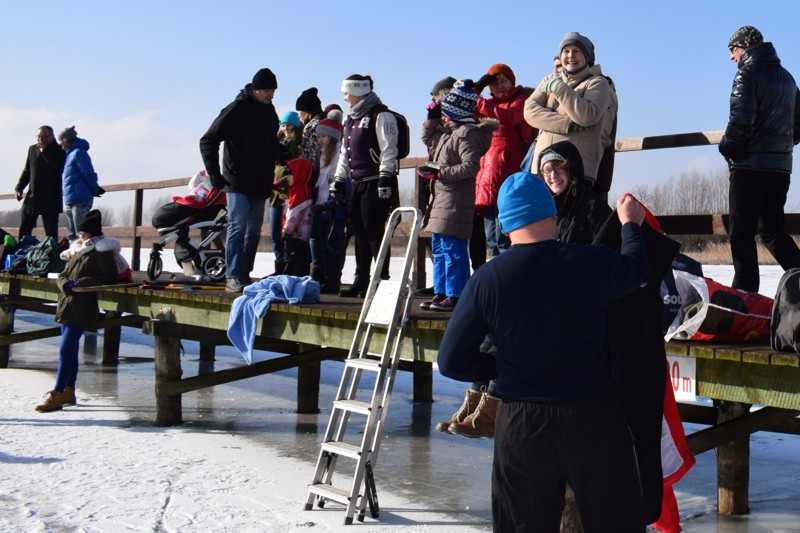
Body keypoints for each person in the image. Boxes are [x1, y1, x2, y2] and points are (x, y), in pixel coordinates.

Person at [437, 172, 648, 531]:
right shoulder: (591, 261)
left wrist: (500, 364)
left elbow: (451, 360)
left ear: (504, 225)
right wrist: (630, 225)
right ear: (552, 214)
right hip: (594, 416)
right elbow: (637, 268)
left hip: (523, 421)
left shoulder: (488, 279)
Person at [719, 26, 800, 292]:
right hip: (780, 167)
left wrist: (727, 148)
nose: (732, 57)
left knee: (741, 233)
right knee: (772, 230)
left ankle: (745, 295)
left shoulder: (747, 74)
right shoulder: (787, 78)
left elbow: (740, 122)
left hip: (749, 167)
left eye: (733, 50)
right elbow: (797, 128)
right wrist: (779, 146)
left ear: (744, 47)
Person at [35, 210, 130, 412]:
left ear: (91, 234)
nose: (80, 238)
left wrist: (80, 283)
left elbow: (109, 277)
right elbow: (63, 274)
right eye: (80, 234)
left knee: (65, 350)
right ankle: (69, 391)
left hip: (83, 306)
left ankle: (57, 392)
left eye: (83, 234)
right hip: (66, 304)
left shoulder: (101, 251)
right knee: (69, 351)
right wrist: (65, 284)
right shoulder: (78, 250)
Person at [200, 68, 280, 293]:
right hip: (237, 178)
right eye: (267, 90)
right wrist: (214, 174)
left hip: (260, 180)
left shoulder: (269, 111)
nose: (271, 95)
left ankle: (244, 272)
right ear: (255, 89)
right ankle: (233, 274)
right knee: (238, 224)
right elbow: (208, 140)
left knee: (254, 229)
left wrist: (281, 154)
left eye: (273, 90)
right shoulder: (236, 109)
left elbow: (270, 142)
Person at [418, 81, 488, 312]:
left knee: (452, 249)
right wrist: (432, 118)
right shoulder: (450, 132)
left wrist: (441, 173)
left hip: (455, 199)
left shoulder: (467, 134)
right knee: (439, 247)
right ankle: (442, 292)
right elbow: (427, 139)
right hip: (441, 198)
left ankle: (456, 294)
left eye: (445, 109)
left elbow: (471, 166)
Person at [331, 74, 399, 297]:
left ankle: (381, 279)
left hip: (374, 182)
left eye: (347, 93)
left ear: (358, 92)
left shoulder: (381, 115)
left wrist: (385, 177)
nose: (344, 97)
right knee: (358, 232)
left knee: (374, 233)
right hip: (357, 183)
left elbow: (389, 148)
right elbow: (344, 153)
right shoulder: (350, 119)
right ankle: (361, 280)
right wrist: (340, 179)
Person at [524, 32, 612, 184]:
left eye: (577, 51)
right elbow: (529, 111)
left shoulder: (597, 83)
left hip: (576, 168)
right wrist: (568, 124)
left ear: (586, 56)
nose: (571, 55)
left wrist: (559, 88)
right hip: (543, 169)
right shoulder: (549, 79)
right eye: (566, 51)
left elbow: (587, 116)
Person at [474, 64, 536, 258]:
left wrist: (482, 103)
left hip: (509, 175)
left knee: (505, 238)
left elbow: (509, 118)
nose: (500, 86)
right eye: (494, 83)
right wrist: (477, 87)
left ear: (512, 82)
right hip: (487, 177)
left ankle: (507, 280)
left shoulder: (521, 100)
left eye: (504, 81)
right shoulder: (487, 106)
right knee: (491, 238)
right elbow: (464, 103)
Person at [538, 141, 611, 243]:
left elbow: (608, 249)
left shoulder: (593, 205)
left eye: (560, 168)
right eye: (548, 170)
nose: (553, 176)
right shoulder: (544, 209)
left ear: (571, 169)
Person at [310, 118, 345, 292]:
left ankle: (332, 280)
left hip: (334, 206)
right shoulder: (319, 155)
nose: (321, 139)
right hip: (319, 203)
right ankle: (318, 276)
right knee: (317, 239)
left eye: (324, 136)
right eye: (319, 136)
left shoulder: (339, 155)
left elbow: (342, 179)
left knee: (333, 243)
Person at [15, 126, 65, 239]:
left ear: (52, 137)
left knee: (51, 233)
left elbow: (58, 167)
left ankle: (51, 255)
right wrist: (19, 188)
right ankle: (23, 252)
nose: (41, 140)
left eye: (44, 137)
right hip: (33, 197)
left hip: (50, 198)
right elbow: (27, 171)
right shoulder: (32, 149)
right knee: (24, 229)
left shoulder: (59, 150)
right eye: (38, 137)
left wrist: (45, 152)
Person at [271, 111, 304, 276]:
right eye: (283, 125)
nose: (285, 128)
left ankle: (288, 266)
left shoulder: (298, 145)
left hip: (288, 195)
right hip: (275, 195)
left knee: (286, 233)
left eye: (288, 125)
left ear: (295, 127)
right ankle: (278, 265)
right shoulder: (276, 142)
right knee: (274, 233)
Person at [58, 126, 99, 242]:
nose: (59, 144)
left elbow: (88, 173)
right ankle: (74, 259)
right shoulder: (68, 155)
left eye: (60, 141)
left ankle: (84, 258)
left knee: (82, 235)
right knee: (72, 236)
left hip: (80, 199)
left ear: (66, 140)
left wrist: (94, 189)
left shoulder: (78, 153)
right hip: (71, 199)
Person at [281, 158, 314, 276]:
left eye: (290, 174)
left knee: (297, 264)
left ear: (300, 173)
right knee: (295, 262)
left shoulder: (300, 191)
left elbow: (294, 215)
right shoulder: (295, 190)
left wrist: (286, 232)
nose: (287, 177)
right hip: (295, 236)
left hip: (296, 236)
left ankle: (294, 286)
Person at [296, 87, 326, 171]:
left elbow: (312, 155)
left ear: (307, 111)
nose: (298, 115)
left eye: (299, 110)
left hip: (314, 173)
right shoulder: (326, 123)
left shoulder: (312, 126)